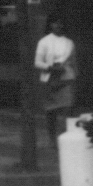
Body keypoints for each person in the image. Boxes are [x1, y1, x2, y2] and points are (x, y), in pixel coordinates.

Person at [34, 14, 77, 143]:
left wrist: (75, 76)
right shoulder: (44, 42)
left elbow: (74, 63)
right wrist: (50, 67)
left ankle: (67, 138)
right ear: (50, 25)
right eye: (55, 23)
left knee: (68, 109)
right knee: (51, 111)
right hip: (50, 80)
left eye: (60, 23)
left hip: (66, 79)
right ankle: (53, 139)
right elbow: (37, 62)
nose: (58, 25)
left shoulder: (69, 42)